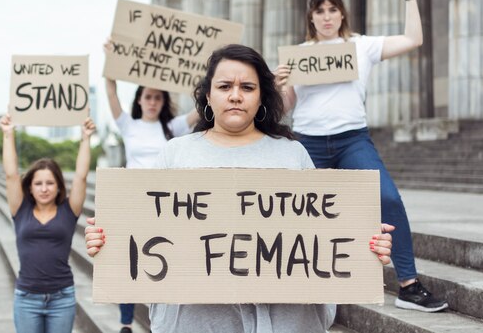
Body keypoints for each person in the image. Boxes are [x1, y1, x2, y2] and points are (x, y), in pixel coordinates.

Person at [87, 44, 394, 333]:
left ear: (261, 97)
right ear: (208, 96)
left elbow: (324, 234)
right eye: (224, 87)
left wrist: (364, 242)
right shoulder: (175, 153)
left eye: (247, 87)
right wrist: (107, 240)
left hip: (285, 322)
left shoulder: (292, 154)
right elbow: (145, 233)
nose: (235, 95)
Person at [274, 0, 448, 313]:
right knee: (297, 210)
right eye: (319, 10)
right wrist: (280, 83)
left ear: (342, 13)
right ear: (311, 16)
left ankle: (408, 286)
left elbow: (413, 39)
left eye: (332, 9)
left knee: (387, 198)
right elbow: (286, 108)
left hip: (352, 140)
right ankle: (298, 285)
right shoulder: (298, 55)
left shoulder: (362, 46)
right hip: (308, 142)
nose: (326, 16)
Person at [104, 39, 200, 333]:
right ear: (140, 100)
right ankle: (125, 324)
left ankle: (161, 320)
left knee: (161, 256)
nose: (152, 101)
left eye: (158, 97)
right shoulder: (128, 125)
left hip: (162, 203)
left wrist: (205, 76)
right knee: (127, 260)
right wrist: (111, 61)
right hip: (132, 201)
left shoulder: (173, 128)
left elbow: (202, 108)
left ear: (163, 101)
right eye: (148, 97)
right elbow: (110, 91)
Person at [0, 114, 96, 333]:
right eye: (38, 183)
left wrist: (85, 138)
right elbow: (11, 175)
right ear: (30, 187)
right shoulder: (20, 209)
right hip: (26, 299)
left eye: (50, 183)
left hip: (61, 298)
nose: (44, 188)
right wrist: (8, 134)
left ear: (59, 186)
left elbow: (81, 177)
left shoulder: (69, 210)